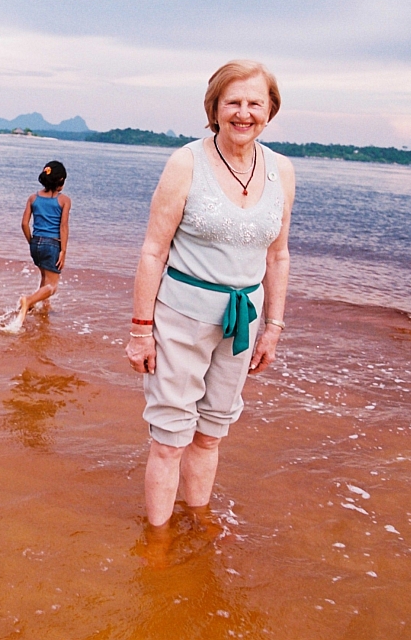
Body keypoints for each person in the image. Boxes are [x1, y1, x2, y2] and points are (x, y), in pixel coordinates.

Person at [125, 60, 296, 530]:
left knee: (210, 434)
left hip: (242, 324)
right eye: (233, 102)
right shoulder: (187, 162)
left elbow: (278, 257)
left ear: (270, 110)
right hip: (180, 317)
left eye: (254, 103)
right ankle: (158, 546)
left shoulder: (282, 170)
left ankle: (197, 530)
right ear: (215, 109)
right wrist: (141, 331)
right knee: (169, 440)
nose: (244, 113)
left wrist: (273, 328)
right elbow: (154, 250)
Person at [17, 160, 71, 321]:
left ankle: (42, 306)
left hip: (36, 243)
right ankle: (29, 301)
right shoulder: (64, 200)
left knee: (44, 277)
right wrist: (63, 251)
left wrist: (32, 242)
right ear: (60, 181)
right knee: (52, 286)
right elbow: (63, 227)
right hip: (52, 244)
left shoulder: (33, 198)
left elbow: (24, 223)